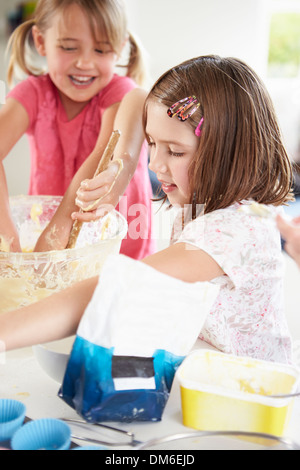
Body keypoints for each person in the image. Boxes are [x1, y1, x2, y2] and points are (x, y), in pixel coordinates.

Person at [0, 55, 294, 364]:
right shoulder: (209, 205)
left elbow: (110, 290)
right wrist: (121, 167)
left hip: (248, 393)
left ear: (230, 153)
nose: (154, 164)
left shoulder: (233, 231)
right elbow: (135, 99)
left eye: (175, 151)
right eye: (152, 143)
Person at [0, 0, 155, 259]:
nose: (85, 62)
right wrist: (7, 240)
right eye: (69, 47)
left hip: (121, 254)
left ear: (119, 48)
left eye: (101, 50)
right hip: (48, 246)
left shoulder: (122, 95)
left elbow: (103, 158)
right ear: (40, 41)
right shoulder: (34, 94)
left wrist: (54, 238)